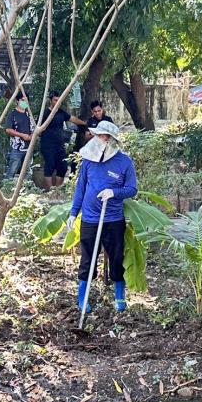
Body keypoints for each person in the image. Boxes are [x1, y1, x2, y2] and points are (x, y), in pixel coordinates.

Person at [66, 120, 138, 314]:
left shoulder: (124, 162)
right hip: (90, 219)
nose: (96, 138)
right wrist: (74, 213)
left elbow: (132, 189)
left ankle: (120, 296)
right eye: (96, 135)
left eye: (100, 136)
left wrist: (113, 192)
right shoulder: (88, 161)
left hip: (113, 220)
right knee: (87, 259)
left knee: (116, 258)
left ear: (108, 139)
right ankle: (83, 298)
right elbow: (80, 188)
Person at [38, 90, 73, 191]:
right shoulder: (45, 113)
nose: (57, 102)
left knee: (63, 167)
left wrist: (84, 124)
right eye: (55, 100)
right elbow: (38, 127)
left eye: (59, 100)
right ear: (50, 100)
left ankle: (57, 190)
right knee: (50, 165)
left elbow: (72, 118)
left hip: (60, 145)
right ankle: (50, 190)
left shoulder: (61, 112)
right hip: (48, 145)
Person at [4, 94, 34, 181]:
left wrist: (31, 136)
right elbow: (8, 130)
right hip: (17, 147)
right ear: (17, 101)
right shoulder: (12, 114)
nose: (25, 102)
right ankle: (7, 189)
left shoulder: (29, 115)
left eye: (26, 100)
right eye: (22, 100)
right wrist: (22, 135)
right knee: (12, 170)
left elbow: (34, 128)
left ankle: (26, 189)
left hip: (29, 147)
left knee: (28, 171)